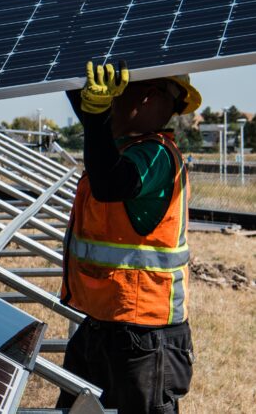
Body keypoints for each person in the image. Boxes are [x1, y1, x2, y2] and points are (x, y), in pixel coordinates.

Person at [57, 61, 200, 413]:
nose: (107, 102)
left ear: (149, 98)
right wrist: (71, 66)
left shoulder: (155, 155)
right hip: (103, 325)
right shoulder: (119, 146)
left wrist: (96, 112)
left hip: (143, 335)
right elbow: (94, 124)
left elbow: (109, 182)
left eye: (117, 94)